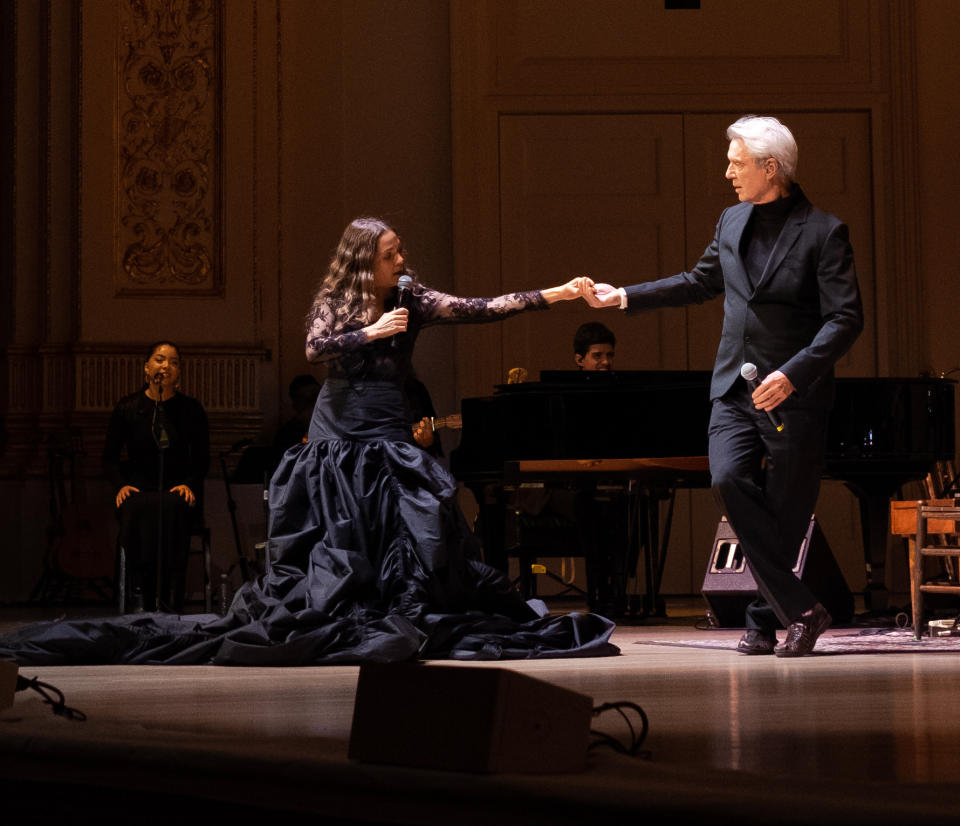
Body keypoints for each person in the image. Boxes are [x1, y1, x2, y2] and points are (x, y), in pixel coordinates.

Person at [0, 218, 616, 665]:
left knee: (411, 522)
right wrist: (370, 331)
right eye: (392, 254)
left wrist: (556, 294)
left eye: (401, 251)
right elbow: (315, 349)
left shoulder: (412, 297)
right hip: (337, 429)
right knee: (338, 534)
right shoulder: (340, 302)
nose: (403, 260)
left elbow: (480, 307)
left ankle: (400, 607)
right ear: (364, 261)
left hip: (385, 425)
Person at [582, 115, 863, 657]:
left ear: (770, 167)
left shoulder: (824, 232)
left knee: (785, 514)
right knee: (728, 478)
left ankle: (763, 614)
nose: (727, 172)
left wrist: (792, 375)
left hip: (793, 395)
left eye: (737, 163)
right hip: (733, 387)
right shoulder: (731, 221)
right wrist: (623, 297)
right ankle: (803, 609)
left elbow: (845, 319)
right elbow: (700, 281)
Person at [103, 341, 210, 613]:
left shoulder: (191, 409)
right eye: (160, 360)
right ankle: (136, 598)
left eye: (174, 362)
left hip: (176, 489)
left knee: (173, 507)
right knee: (137, 507)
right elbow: (109, 457)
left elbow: (202, 459)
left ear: (179, 372)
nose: (166, 366)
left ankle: (170, 599)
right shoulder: (129, 407)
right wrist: (120, 485)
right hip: (139, 489)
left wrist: (190, 484)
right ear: (146, 368)